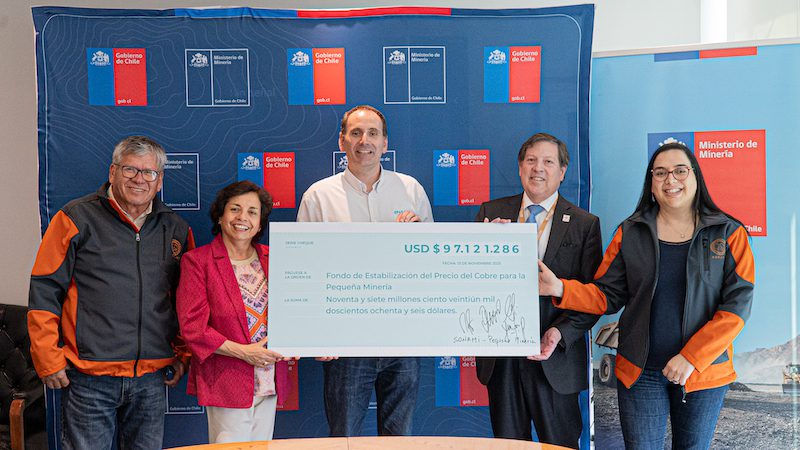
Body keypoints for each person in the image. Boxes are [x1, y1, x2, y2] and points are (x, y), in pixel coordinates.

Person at [538, 142, 754, 449]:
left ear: (695, 177)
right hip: (641, 374)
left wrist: (691, 358)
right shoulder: (630, 232)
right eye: (660, 173)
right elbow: (606, 294)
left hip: (702, 372)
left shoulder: (729, 233)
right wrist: (560, 288)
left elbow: (737, 307)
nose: (670, 179)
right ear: (651, 183)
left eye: (680, 170)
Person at [28, 136, 194, 449]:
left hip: (151, 379)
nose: (139, 179)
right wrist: (47, 357)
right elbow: (45, 289)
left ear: (160, 181)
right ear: (113, 172)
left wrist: (183, 353)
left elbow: (184, 300)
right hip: (89, 378)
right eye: (130, 169)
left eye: (149, 172)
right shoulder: (76, 218)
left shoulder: (176, 228)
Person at [297, 104, 433, 436]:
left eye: (373, 133)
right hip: (345, 342)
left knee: (399, 438)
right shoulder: (318, 196)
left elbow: (432, 263)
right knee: (343, 437)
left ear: (385, 143)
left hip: (403, 338)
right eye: (355, 133)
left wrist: (417, 240)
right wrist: (315, 335)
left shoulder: (411, 190)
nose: (364, 141)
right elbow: (303, 270)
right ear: (342, 141)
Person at [474, 133, 602, 448]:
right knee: (508, 446)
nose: (538, 168)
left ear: (562, 171)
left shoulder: (584, 224)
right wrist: (483, 248)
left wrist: (560, 333)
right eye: (531, 160)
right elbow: (471, 283)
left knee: (559, 445)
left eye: (548, 161)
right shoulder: (491, 213)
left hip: (556, 360)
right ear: (520, 168)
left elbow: (595, 297)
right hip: (502, 361)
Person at [176, 181, 289, 443]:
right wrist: (245, 352)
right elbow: (193, 328)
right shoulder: (198, 262)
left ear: (260, 223)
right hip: (227, 379)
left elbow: (298, 311)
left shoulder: (276, 258)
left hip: (269, 377)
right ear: (220, 215)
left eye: (252, 212)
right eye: (235, 209)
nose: (242, 218)